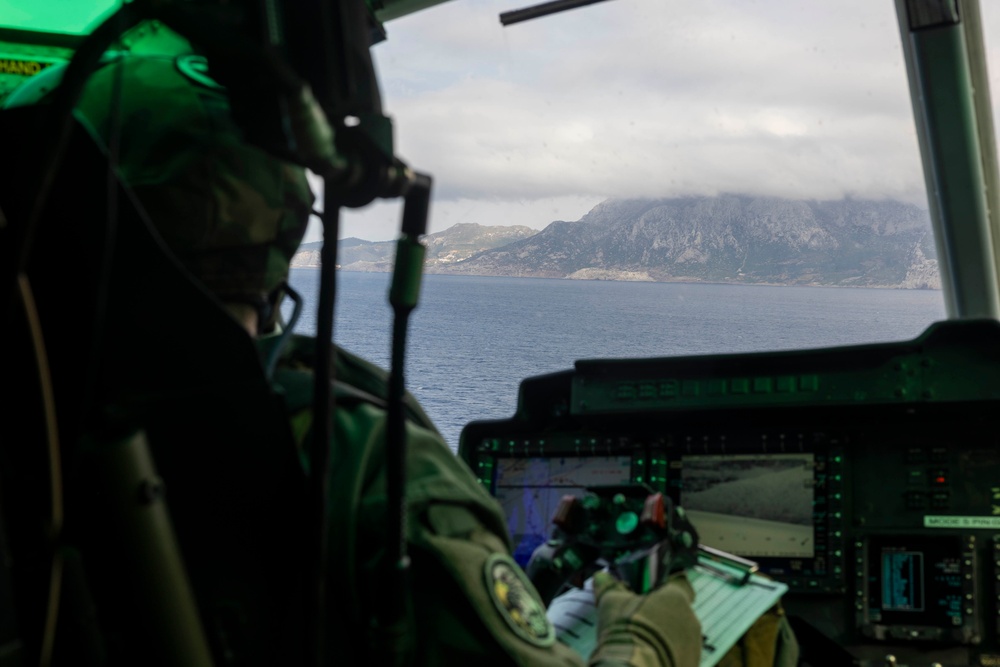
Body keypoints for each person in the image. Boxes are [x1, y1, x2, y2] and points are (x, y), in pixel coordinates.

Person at [10, 45, 736, 665]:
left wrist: (529, 582)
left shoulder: (47, 425)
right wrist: (648, 639)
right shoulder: (359, 465)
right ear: (275, 235)